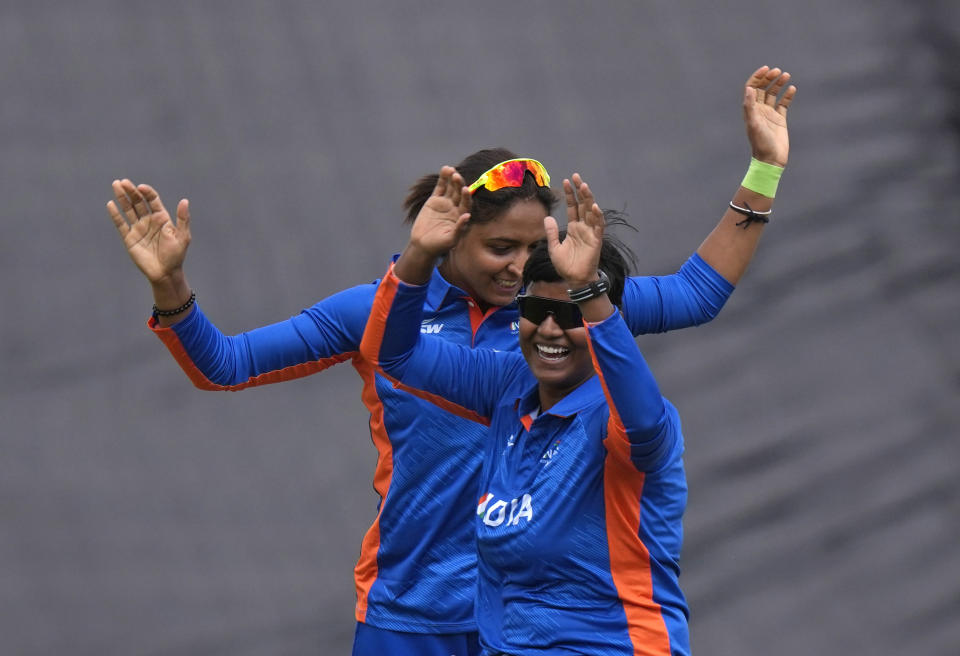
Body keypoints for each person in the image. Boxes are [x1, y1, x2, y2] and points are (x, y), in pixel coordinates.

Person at [106, 65, 795, 656]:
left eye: (535, 248)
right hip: (410, 613)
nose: (521, 268)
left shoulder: (559, 304)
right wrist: (169, 286)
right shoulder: (381, 309)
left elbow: (698, 292)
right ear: (450, 232)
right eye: (501, 248)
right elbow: (224, 365)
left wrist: (765, 166)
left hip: (530, 621)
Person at [361, 173, 698, 654]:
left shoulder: (621, 418)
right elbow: (395, 357)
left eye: (570, 316)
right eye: (535, 308)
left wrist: (591, 294)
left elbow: (644, 421)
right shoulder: (508, 388)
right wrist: (419, 257)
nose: (548, 330)